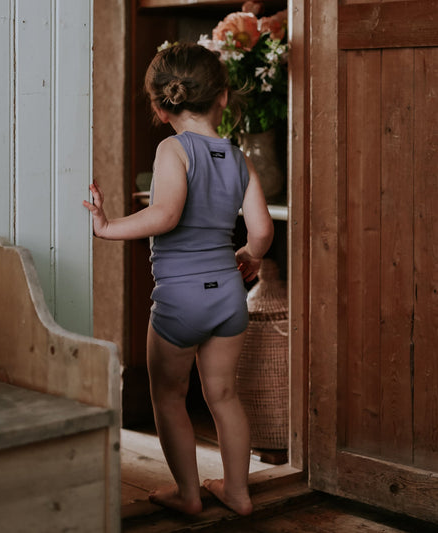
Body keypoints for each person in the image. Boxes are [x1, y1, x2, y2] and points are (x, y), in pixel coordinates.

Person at [83, 42, 274, 516]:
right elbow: (262, 230)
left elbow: (166, 214)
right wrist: (251, 255)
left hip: (181, 300)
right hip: (229, 295)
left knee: (168, 396)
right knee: (223, 395)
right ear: (223, 96)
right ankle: (237, 492)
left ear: (160, 105)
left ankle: (189, 494)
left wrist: (107, 226)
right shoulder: (238, 156)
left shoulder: (173, 149)